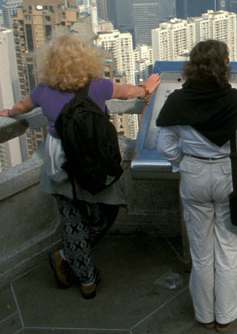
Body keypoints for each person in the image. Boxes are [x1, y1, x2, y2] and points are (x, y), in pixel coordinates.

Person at [0, 31, 160, 299]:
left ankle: (83, 277)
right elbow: (127, 92)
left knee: (71, 217)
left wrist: (9, 113)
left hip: (60, 159)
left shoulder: (43, 90)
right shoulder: (98, 86)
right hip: (93, 158)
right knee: (106, 212)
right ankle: (72, 264)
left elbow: (21, 106)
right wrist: (145, 89)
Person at [156, 40, 237, 332]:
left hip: (193, 176)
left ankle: (204, 315)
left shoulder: (177, 100)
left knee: (201, 253)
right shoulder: (234, 100)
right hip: (229, 175)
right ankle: (225, 316)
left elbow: (164, 146)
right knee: (229, 251)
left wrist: (186, 161)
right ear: (223, 65)